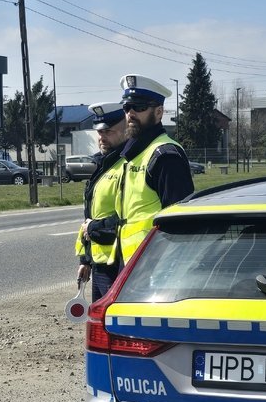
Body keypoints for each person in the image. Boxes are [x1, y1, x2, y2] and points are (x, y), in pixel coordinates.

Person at [114, 74, 195, 264]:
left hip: (156, 266)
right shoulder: (134, 153)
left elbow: (180, 222)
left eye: (140, 107)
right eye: (127, 107)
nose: (131, 114)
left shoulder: (165, 155)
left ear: (159, 113)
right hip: (133, 265)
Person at [76, 102, 129, 301]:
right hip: (99, 263)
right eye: (99, 132)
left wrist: (95, 228)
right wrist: (86, 260)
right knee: (99, 321)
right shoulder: (102, 164)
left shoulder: (128, 165)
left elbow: (127, 217)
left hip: (119, 262)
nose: (101, 137)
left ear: (125, 130)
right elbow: (90, 215)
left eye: (108, 131)